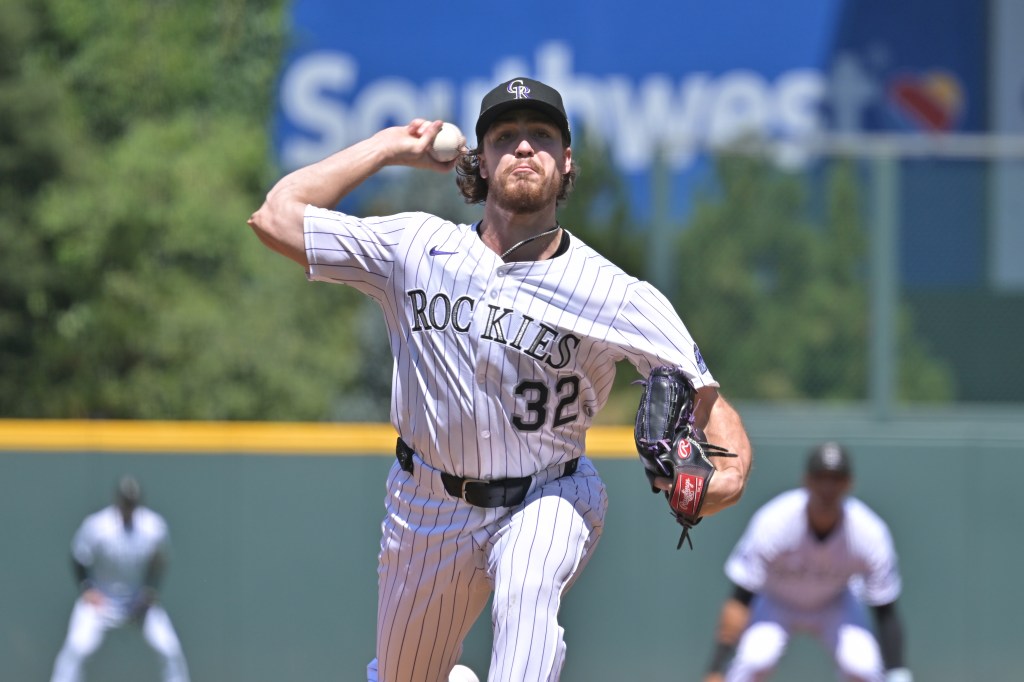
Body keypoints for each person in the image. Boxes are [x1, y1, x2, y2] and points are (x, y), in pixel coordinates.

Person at [248, 75, 752, 682]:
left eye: (541, 135)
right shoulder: (415, 247)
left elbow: (705, 396)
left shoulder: (614, 293)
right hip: (426, 505)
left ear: (568, 163)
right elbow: (275, 217)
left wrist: (721, 479)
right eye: (504, 136)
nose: (522, 147)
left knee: (526, 591)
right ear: (479, 163)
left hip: (549, 494)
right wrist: (385, 146)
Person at [703, 442, 912, 682]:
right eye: (821, 477)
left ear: (849, 483)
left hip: (835, 602)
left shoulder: (868, 532)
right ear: (807, 481)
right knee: (755, 660)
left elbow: (885, 610)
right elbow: (741, 597)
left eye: (835, 478)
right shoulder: (774, 521)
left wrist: (898, 673)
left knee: (862, 666)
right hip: (776, 600)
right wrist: (716, 667)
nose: (827, 486)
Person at [50, 475, 190, 682]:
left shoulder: (152, 526)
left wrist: (150, 590)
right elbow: (79, 556)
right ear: (118, 501)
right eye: (126, 501)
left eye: (132, 502)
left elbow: (159, 559)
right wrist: (87, 588)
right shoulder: (98, 525)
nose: (129, 506)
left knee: (169, 648)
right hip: (102, 600)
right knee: (76, 648)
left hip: (136, 599)